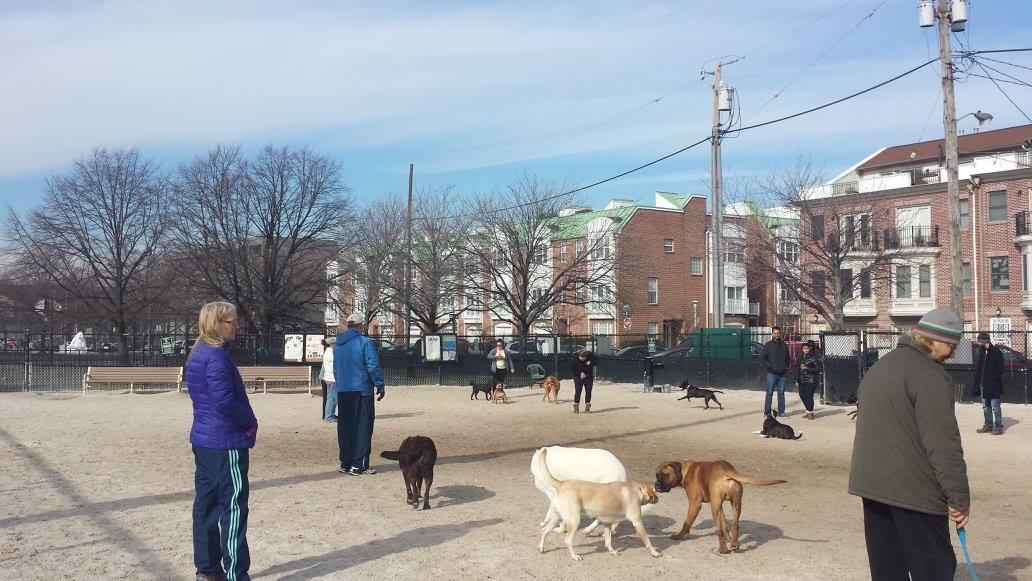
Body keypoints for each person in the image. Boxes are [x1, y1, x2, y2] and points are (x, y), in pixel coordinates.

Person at [849, 308, 970, 580]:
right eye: (951, 344)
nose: (952, 352)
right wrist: (958, 498)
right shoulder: (930, 375)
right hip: (915, 492)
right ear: (931, 339)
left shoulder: (880, 366)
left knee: (887, 570)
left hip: (872, 485)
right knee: (934, 569)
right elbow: (943, 443)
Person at [185, 302, 257, 581]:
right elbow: (224, 401)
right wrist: (249, 423)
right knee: (234, 507)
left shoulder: (199, 354)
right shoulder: (216, 357)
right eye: (231, 321)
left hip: (205, 440)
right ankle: (236, 574)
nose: (236, 326)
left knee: (206, 504)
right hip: (224, 442)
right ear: (217, 324)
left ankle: (207, 569)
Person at [334, 313, 385, 476]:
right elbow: (373, 365)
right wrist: (380, 384)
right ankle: (359, 464)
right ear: (360, 325)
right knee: (363, 427)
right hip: (361, 390)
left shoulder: (338, 346)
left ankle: (345, 462)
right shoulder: (365, 343)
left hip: (343, 390)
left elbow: (335, 370)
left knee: (345, 427)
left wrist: (341, 383)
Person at [972, 331, 1005, 435]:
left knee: (995, 407)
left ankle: (998, 427)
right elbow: (980, 369)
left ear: (984, 341)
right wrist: (978, 383)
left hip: (993, 385)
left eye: (979, 342)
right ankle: (988, 425)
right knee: (986, 406)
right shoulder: (982, 352)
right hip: (983, 384)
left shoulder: (996, 352)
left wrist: (993, 380)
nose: (978, 344)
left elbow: (1000, 368)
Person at [760, 326, 790, 418]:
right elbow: (762, 358)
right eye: (775, 333)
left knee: (781, 393)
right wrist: (769, 366)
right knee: (769, 393)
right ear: (772, 334)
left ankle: (781, 412)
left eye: (778, 333)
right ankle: (767, 412)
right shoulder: (768, 345)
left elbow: (788, 358)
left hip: (782, 374)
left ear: (780, 334)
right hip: (771, 373)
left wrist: (786, 366)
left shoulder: (784, 346)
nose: (776, 334)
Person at [793, 341, 821, 420]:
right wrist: (796, 380)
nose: (805, 350)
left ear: (810, 349)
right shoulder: (800, 358)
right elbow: (797, 370)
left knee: (809, 396)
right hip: (801, 379)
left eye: (807, 348)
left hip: (811, 379)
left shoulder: (813, 357)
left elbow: (817, 368)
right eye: (804, 348)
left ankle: (810, 412)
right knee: (802, 395)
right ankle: (809, 410)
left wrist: (807, 368)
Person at [570, 349, 597, 414]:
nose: (582, 360)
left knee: (588, 391)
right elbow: (572, 369)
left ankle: (587, 408)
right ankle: (576, 408)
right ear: (579, 355)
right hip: (578, 376)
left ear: (586, 356)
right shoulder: (574, 358)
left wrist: (590, 362)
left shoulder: (590, 355)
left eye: (584, 359)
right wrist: (579, 374)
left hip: (588, 376)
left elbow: (597, 361)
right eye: (581, 358)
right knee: (578, 390)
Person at [320, 336, 337, 422]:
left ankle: (328, 415)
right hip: (332, 378)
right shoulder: (331, 353)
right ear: (332, 344)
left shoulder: (327, 352)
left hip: (328, 378)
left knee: (330, 398)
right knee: (332, 399)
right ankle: (329, 416)